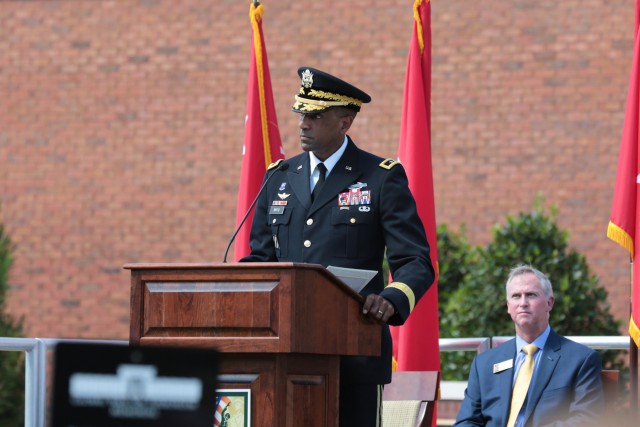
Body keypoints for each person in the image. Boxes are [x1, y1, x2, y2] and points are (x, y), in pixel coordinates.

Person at [240, 66, 435, 426]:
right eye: (301, 114)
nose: (302, 124)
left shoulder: (380, 177)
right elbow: (260, 259)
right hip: (285, 358)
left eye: (314, 117)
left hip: (354, 354)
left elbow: (416, 262)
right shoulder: (278, 177)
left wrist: (390, 299)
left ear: (344, 122)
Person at [454, 264, 604, 427]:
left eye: (531, 295)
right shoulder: (484, 363)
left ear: (549, 303)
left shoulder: (580, 360)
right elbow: (466, 421)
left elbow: (586, 420)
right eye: (516, 296)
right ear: (508, 306)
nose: (523, 303)